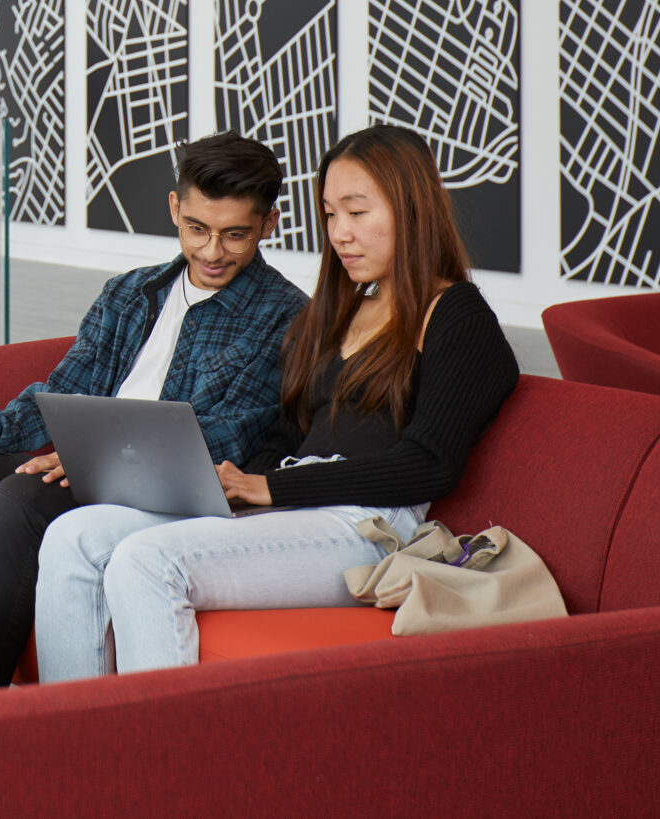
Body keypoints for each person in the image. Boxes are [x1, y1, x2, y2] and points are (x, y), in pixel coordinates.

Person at [35, 124, 519, 679]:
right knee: (74, 537)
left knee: (148, 562)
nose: (340, 234)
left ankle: (163, 761)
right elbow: (292, 437)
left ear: (412, 209)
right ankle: (65, 746)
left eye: (357, 212)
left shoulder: (457, 315)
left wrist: (270, 487)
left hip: (368, 527)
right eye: (330, 215)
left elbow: (430, 464)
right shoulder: (342, 311)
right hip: (296, 506)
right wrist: (230, 483)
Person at [0, 134, 307, 686]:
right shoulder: (132, 293)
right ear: (174, 209)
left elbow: (231, 435)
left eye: (236, 235)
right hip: (81, 466)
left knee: (20, 497)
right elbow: (63, 388)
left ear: (270, 225)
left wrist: (103, 464)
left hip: (162, 490)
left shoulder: (287, 318)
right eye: (197, 229)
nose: (212, 252)